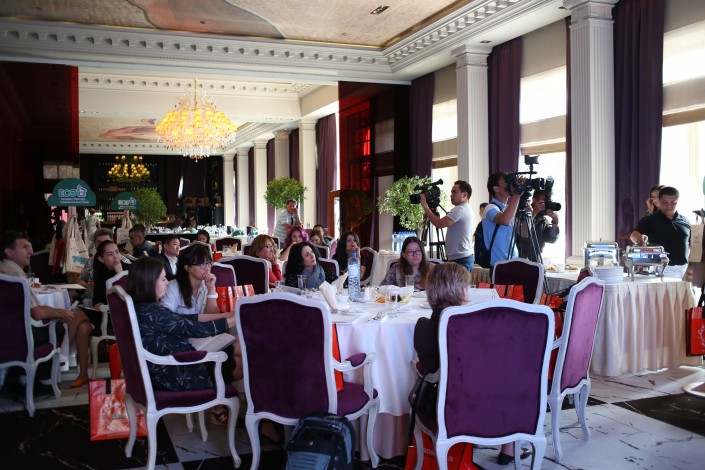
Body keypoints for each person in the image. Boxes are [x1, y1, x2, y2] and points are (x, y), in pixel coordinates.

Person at [413, 262, 531, 465]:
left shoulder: (423, 327)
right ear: (459, 290)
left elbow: (427, 367)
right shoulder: (475, 327)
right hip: (480, 407)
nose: (469, 290)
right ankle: (509, 447)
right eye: (467, 286)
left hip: (443, 407)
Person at [126, 257, 236, 392]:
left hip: (171, 366)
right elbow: (194, 329)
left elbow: (184, 318)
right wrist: (236, 319)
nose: (167, 283)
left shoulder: (144, 308)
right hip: (179, 373)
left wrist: (227, 316)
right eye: (163, 279)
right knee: (244, 355)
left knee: (240, 349)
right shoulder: (152, 312)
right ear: (148, 283)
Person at [0, 231, 93, 388]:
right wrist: (61, 313)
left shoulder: (4, 270)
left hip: (5, 334)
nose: (30, 252)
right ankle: (45, 377)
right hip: (21, 337)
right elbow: (37, 313)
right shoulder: (16, 275)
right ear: (9, 252)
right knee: (61, 326)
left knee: (77, 323)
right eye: (24, 247)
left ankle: (23, 376)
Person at [630, 186, 690, 279]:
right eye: (665, 202)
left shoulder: (685, 221)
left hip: (685, 269)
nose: (669, 206)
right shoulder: (650, 220)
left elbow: (691, 244)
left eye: (673, 203)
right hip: (661, 269)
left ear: (678, 202)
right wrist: (639, 238)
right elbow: (633, 235)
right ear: (659, 200)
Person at [420, 180, 475, 271]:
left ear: (464, 195)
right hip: (462, 258)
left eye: (454, 192)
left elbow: (438, 223)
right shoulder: (466, 209)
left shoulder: (460, 209)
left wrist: (425, 206)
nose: (451, 195)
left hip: (461, 259)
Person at [482, 173, 527, 269]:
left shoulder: (508, 209)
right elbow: (505, 220)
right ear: (496, 188)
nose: (510, 184)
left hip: (514, 261)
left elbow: (524, 233)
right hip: (499, 265)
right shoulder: (490, 208)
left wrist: (532, 213)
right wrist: (517, 194)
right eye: (506, 181)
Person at [517, 189, 559, 262]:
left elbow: (551, 239)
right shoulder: (521, 214)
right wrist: (534, 212)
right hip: (520, 260)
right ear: (534, 200)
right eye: (544, 201)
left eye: (549, 201)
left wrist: (555, 220)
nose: (546, 204)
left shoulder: (543, 220)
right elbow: (524, 234)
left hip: (535, 260)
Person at [78, 228, 116, 302]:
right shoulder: (90, 261)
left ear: (113, 243)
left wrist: (98, 286)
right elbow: (80, 280)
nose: (102, 246)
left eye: (106, 242)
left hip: (107, 303)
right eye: (99, 242)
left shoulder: (119, 261)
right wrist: (83, 284)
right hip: (87, 301)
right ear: (94, 244)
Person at [92, 240, 130, 310]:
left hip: (127, 310)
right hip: (107, 310)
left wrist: (120, 273)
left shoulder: (130, 269)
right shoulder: (100, 273)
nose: (115, 256)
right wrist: (98, 305)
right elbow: (96, 300)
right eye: (110, 254)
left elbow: (130, 297)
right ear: (101, 259)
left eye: (117, 252)